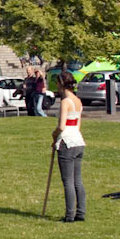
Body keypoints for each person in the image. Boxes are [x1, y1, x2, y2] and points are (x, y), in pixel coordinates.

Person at [53, 73, 86, 222]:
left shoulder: (65, 102)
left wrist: (54, 135)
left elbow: (62, 126)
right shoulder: (77, 101)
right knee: (77, 180)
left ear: (61, 84)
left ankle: (69, 215)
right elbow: (77, 124)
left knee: (68, 181)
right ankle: (81, 212)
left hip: (66, 142)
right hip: (78, 140)